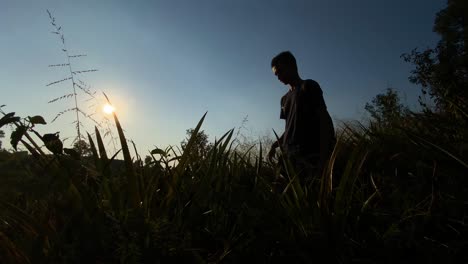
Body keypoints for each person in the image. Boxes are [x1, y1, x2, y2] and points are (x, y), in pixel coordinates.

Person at [268, 51, 336, 185]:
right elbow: (290, 128)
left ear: (292, 66)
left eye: (280, 71)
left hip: (308, 157)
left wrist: (324, 158)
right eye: (276, 75)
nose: (278, 77)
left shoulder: (308, 86)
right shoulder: (283, 100)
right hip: (288, 157)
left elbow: (324, 120)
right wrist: (275, 145)